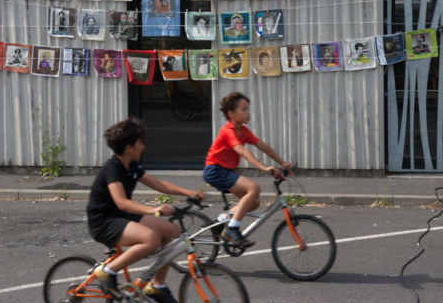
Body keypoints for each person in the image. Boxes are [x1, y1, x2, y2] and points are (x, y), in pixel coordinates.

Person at [87, 118, 205, 302]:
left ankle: (157, 287)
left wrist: (189, 192)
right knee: (151, 238)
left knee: (172, 231)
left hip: (121, 216)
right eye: (140, 143)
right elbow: (121, 202)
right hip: (104, 221)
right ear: (128, 147)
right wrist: (154, 209)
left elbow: (160, 184)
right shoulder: (113, 169)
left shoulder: (131, 166)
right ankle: (107, 271)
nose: (143, 147)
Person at [203, 92, 291, 247]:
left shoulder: (243, 130)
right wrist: (264, 168)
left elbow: (263, 146)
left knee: (254, 202)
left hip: (225, 171)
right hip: (215, 170)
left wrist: (282, 163)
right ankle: (232, 229)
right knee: (253, 188)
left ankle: (221, 221)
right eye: (243, 109)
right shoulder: (228, 131)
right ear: (231, 114)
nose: (248, 112)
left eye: (248, 109)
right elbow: (243, 151)